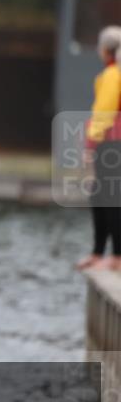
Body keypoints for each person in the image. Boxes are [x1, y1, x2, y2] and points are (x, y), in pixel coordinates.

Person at [78, 26, 121, 271]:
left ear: (106, 50)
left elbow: (103, 113)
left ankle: (114, 256)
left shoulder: (112, 75)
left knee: (109, 197)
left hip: (111, 142)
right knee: (101, 195)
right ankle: (100, 253)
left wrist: (90, 144)